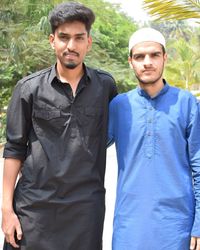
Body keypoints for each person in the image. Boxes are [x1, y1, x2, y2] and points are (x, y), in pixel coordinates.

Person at [1, 2, 117, 250]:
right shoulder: (29, 88)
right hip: (34, 209)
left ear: (89, 42)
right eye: (64, 38)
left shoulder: (105, 87)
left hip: (86, 211)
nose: (71, 46)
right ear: (52, 40)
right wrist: (7, 211)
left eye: (79, 38)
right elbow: (14, 149)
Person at [108, 27, 200, 250]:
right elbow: (85, 149)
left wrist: (198, 223)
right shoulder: (119, 105)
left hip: (176, 225)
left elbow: (199, 165)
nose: (147, 62)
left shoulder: (186, 103)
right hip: (129, 225)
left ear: (165, 58)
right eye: (139, 56)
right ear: (131, 61)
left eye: (154, 55)